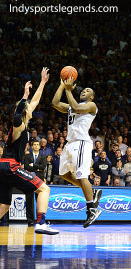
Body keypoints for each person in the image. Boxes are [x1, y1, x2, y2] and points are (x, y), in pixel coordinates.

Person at [0, 68, 59, 245]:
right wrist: (24, 97)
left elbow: (34, 101)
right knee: (44, 189)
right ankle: (41, 222)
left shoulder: (25, 121)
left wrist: (42, 82)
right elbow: (19, 112)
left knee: (3, 207)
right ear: (25, 112)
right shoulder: (18, 126)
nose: (32, 109)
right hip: (10, 166)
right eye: (29, 108)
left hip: (2, 167)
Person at [52, 77, 102, 228]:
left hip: (81, 143)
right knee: (64, 174)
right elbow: (54, 103)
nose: (84, 91)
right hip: (69, 144)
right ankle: (91, 194)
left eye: (88, 91)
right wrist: (61, 86)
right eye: (83, 90)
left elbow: (76, 107)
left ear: (91, 96)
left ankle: (92, 209)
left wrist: (68, 90)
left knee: (82, 175)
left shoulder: (91, 105)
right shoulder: (71, 105)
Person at [24, 140, 47, 225]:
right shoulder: (27, 156)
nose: (36, 146)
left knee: (39, 200)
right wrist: (37, 169)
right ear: (32, 146)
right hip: (29, 180)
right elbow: (26, 167)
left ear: (39, 147)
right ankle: (29, 220)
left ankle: (39, 219)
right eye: (34, 145)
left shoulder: (43, 157)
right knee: (29, 200)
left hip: (39, 180)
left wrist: (33, 165)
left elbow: (43, 167)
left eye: (37, 145)